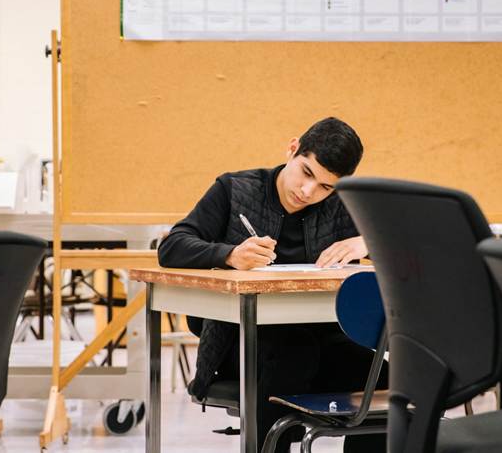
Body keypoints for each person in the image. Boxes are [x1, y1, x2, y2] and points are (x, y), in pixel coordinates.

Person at [158, 117, 387, 452]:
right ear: (292, 148)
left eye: (325, 187)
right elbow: (172, 246)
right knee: (293, 352)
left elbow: (409, 246)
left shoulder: (340, 205)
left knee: (385, 378)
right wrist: (230, 254)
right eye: (306, 173)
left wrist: (367, 243)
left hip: (321, 343)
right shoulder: (234, 189)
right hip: (240, 344)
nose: (308, 192)